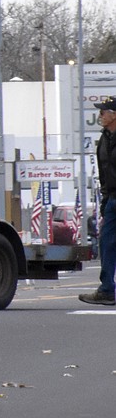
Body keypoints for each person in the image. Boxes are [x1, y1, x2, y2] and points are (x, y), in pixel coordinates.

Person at [80, 96, 116, 305]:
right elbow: (103, 172)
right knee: (106, 243)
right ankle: (107, 290)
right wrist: (104, 199)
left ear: (114, 115)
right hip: (111, 199)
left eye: (103, 112)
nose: (100, 116)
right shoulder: (103, 139)